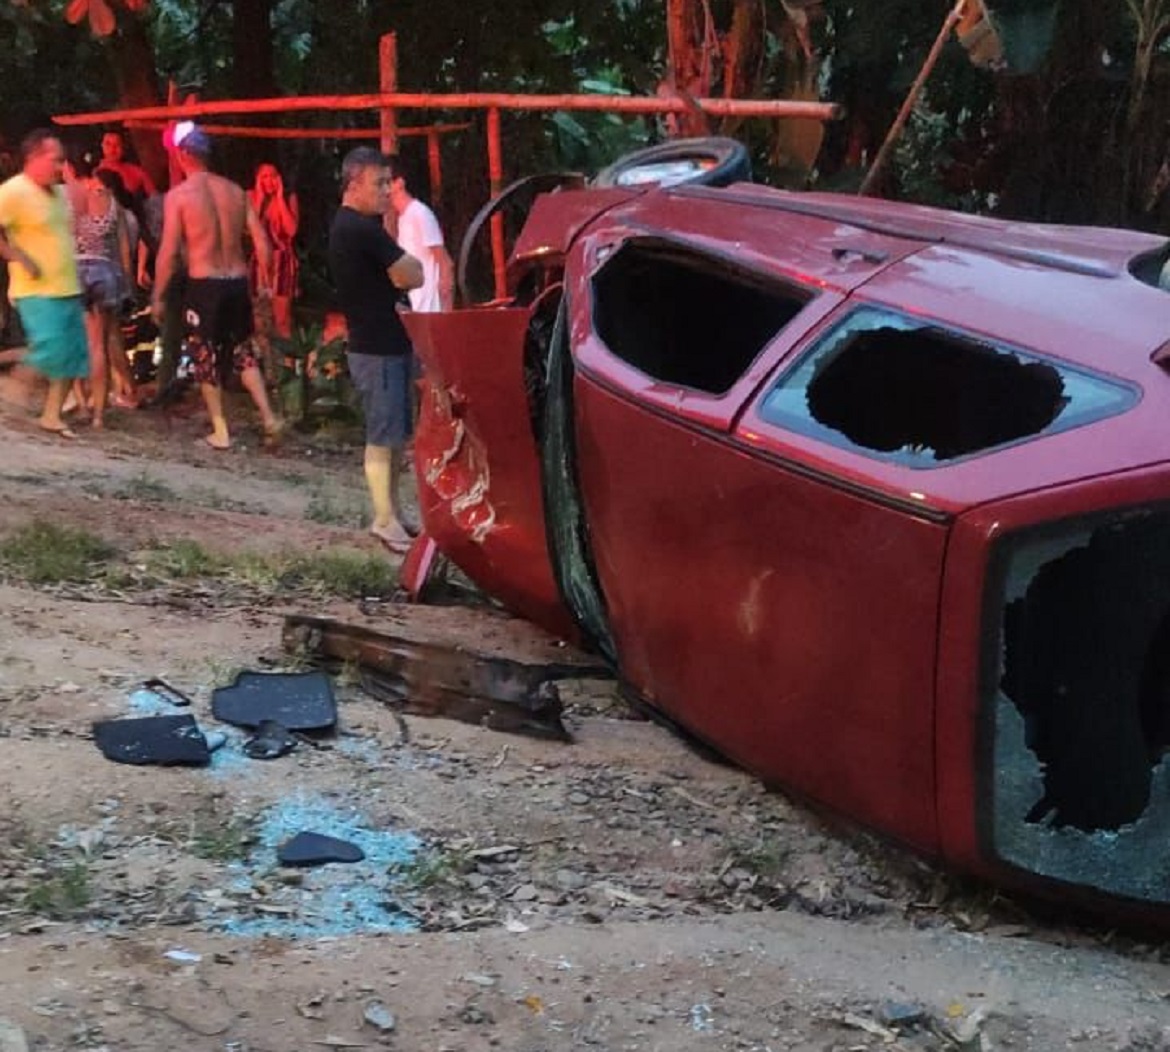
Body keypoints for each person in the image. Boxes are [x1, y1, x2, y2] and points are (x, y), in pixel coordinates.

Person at [151, 121, 281, 449]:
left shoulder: (179, 197)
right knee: (242, 352)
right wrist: (265, 279)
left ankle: (221, 430)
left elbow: (168, 251)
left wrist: (158, 295)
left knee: (204, 355)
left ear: (182, 155)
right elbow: (263, 241)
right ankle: (269, 417)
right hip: (236, 281)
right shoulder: (236, 192)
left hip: (204, 283)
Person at [328, 147, 423, 553]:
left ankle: (393, 512)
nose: (387, 190)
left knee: (396, 433)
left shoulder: (360, 227)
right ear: (354, 185)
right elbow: (413, 273)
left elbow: (409, 275)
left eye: (388, 182)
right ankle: (384, 518)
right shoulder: (359, 229)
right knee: (383, 435)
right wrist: (403, 273)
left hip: (386, 341)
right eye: (379, 183)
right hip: (376, 345)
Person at [0, 129, 89, 438]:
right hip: (35, 289)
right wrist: (17, 256)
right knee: (51, 348)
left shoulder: (58, 193)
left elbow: (83, 204)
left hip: (66, 285)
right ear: (33, 158)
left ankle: (51, 415)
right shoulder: (14, 191)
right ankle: (15, 383)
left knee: (73, 355)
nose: (60, 167)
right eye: (56, 160)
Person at [66, 154, 135, 426]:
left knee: (77, 342)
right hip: (105, 272)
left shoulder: (74, 199)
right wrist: (126, 285)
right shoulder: (112, 203)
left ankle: (81, 403)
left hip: (78, 271)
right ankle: (98, 415)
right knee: (100, 346)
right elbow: (124, 250)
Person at [386, 156, 454, 312]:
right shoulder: (403, 217)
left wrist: (446, 314)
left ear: (399, 183)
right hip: (413, 305)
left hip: (428, 307)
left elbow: (445, 263)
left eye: (387, 182)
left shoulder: (420, 213)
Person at [248, 162, 299, 338]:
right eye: (264, 177)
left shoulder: (288, 198)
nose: (269, 181)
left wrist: (279, 198)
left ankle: (286, 360)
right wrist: (261, 200)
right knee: (259, 316)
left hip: (282, 260)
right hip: (259, 262)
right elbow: (249, 227)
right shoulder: (251, 197)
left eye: (273, 176)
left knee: (282, 317)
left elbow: (291, 230)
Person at [96, 129, 156, 204]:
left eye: (117, 144)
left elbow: (155, 199)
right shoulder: (95, 175)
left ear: (123, 147)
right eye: (108, 144)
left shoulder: (137, 171)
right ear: (102, 146)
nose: (112, 148)